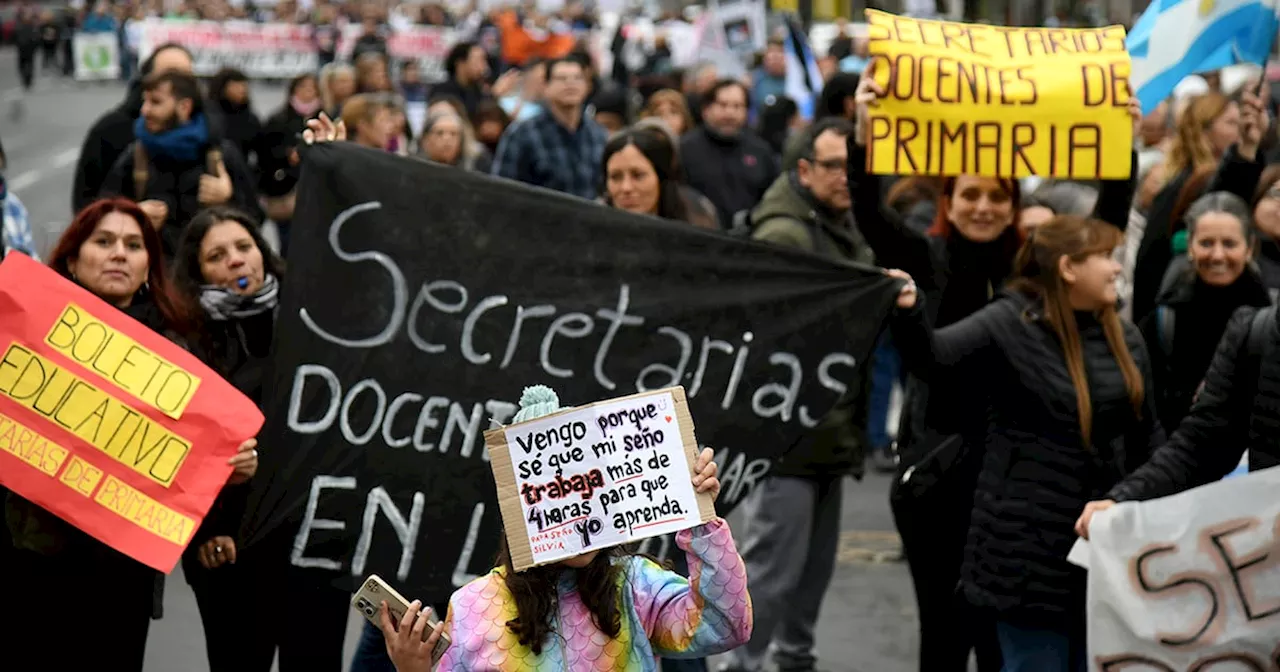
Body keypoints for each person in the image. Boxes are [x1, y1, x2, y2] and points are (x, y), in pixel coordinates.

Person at [849, 73, 1140, 672]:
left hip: (1014, 481)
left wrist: (1122, 144)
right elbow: (869, 215)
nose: (983, 207)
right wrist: (863, 133)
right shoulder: (922, 259)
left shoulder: (1032, 270)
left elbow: (1107, 222)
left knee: (1001, 638)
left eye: (997, 197)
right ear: (948, 203)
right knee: (943, 633)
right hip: (937, 474)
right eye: (970, 194)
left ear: (1013, 206)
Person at [889, 213, 1163, 671]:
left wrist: (1145, 502)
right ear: (1068, 268)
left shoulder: (1125, 337)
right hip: (1025, 559)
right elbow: (933, 360)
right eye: (1105, 257)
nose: (1117, 268)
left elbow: (1148, 435)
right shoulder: (1008, 323)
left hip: (1104, 550)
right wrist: (909, 309)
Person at [6, 198, 256, 671]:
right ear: (73, 262)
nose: (119, 253)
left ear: (148, 268)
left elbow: (190, 466)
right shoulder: (22, 330)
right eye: (104, 242)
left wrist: (234, 472)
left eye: (134, 245)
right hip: (26, 559)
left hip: (119, 575)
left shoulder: (179, 356)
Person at [379, 386, 752, 671]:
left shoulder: (634, 587)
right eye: (557, 492)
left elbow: (725, 625)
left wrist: (701, 518)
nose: (577, 506)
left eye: (588, 487)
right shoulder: (471, 607)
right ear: (521, 507)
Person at [720, 117, 875, 672]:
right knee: (773, 574)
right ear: (805, 170)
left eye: (851, 166)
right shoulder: (787, 232)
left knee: (809, 575)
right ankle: (744, 666)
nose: (845, 177)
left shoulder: (836, 222)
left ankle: (790, 661)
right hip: (792, 435)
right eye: (834, 166)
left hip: (827, 429)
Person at [169, 206, 279, 671]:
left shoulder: (303, 317)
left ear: (263, 253)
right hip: (226, 541)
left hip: (296, 533)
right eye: (217, 256)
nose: (236, 261)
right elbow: (174, 449)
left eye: (244, 248)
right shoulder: (184, 338)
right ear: (198, 273)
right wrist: (208, 529)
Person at [1139, 191, 1272, 433]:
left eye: (1229, 244)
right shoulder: (1164, 320)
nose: (1217, 255)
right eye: (1206, 243)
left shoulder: (1271, 315)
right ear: (1190, 246)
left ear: (1249, 247)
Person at [99, 70, 261, 258]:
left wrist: (228, 199)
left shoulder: (221, 154)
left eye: (156, 102)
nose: (144, 110)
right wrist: (134, 215)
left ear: (184, 107)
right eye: (145, 101)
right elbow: (102, 214)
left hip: (210, 277)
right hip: (155, 277)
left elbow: (255, 219)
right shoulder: (136, 155)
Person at [72, 42, 193, 215]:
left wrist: (226, 195)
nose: (178, 84)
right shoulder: (112, 131)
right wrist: (133, 217)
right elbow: (86, 208)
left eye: (186, 76)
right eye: (168, 74)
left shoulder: (214, 135)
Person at [491, 57, 607, 200]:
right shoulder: (522, 134)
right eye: (561, 78)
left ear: (587, 86)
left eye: (577, 78)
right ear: (545, 86)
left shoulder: (598, 135)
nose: (570, 84)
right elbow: (502, 190)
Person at [680, 80, 779, 228]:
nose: (730, 113)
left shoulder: (761, 151)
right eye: (723, 105)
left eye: (737, 106)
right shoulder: (685, 149)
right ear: (706, 110)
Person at [601, 125, 717, 229]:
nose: (626, 187)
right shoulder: (591, 237)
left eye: (638, 175)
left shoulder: (698, 229)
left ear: (661, 179)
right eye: (615, 177)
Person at [259, 73, 322, 257]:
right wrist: (287, 156)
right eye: (303, 87)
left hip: (315, 189)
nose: (308, 92)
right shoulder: (278, 119)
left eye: (312, 88)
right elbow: (265, 153)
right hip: (284, 188)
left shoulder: (325, 118)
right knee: (288, 243)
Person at [208, 68, 263, 164]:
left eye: (244, 85)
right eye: (236, 86)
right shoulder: (210, 115)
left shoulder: (250, 119)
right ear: (222, 88)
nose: (242, 90)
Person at [433, 41, 492, 118]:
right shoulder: (442, 91)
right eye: (479, 60)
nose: (485, 67)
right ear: (460, 64)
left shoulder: (477, 90)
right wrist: (493, 95)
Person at [418, 111, 491, 172]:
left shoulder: (475, 166)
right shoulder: (415, 167)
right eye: (439, 133)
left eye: (453, 134)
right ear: (426, 140)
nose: (447, 139)